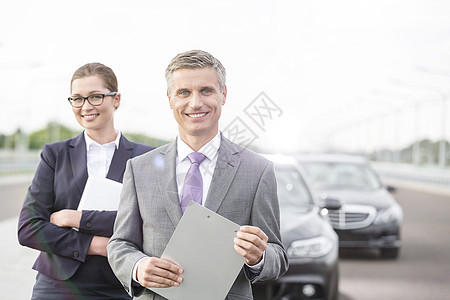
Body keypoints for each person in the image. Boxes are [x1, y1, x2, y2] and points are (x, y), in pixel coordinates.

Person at [107, 50, 288, 299]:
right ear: (170, 98)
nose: (195, 103)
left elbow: (277, 255)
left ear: (223, 95)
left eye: (206, 90)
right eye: (184, 93)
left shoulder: (258, 171)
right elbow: (120, 244)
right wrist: (137, 267)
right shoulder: (139, 169)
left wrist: (259, 257)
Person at [18, 62, 154, 299]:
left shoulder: (146, 158)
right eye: (77, 99)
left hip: (118, 285)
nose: (85, 106)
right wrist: (97, 245)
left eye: (95, 97)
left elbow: (148, 222)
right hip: (56, 285)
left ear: (116, 99)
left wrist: (76, 218)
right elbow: (29, 228)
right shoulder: (55, 154)